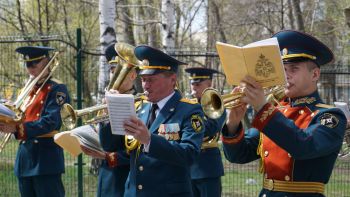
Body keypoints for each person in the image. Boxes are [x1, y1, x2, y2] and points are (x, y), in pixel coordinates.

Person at [221, 30, 347, 197]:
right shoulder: (275, 111)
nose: (286, 75)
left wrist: (263, 107)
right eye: (283, 68)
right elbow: (238, 155)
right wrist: (233, 124)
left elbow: (303, 146)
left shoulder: (330, 116)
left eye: (293, 69)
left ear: (315, 74)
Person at [120, 45, 205, 197]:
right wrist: (109, 114)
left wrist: (149, 140)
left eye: (151, 79)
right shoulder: (139, 107)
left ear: (172, 79)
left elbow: (189, 154)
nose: (145, 85)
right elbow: (112, 145)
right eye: (144, 79)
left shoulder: (190, 110)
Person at [0, 46, 70, 197]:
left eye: (34, 64)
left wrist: (17, 129)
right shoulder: (26, 90)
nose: (30, 68)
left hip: (45, 160)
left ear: (47, 62)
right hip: (25, 159)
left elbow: (51, 121)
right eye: (27, 64)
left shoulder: (57, 88)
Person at [80, 43, 136, 197]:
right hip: (107, 175)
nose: (114, 76)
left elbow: (139, 149)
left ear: (133, 75)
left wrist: (108, 156)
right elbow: (105, 143)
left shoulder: (141, 104)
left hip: (128, 177)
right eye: (112, 71)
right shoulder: (106, 103)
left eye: (120, 71)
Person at [184, 67, 226, 197]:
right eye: (192, 84)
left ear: (209, 84)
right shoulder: (186, 105)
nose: (194, 88)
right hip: (188, 166)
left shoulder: (216, 104)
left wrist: (188, 124)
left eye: (198, 84)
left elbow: (211, 128)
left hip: (207, 166)